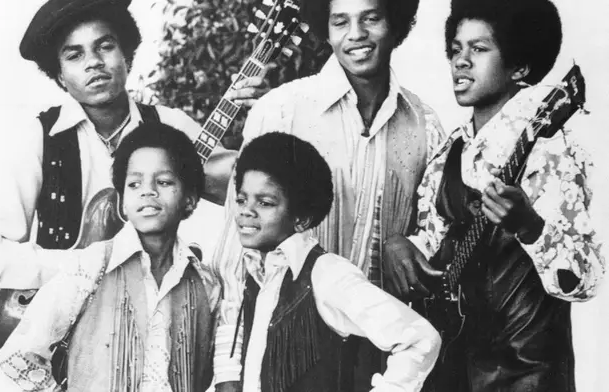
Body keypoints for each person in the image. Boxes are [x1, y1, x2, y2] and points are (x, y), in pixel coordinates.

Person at [210, 0, 446, 389]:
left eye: (371, 18)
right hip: (287, 355)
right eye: (341, 21)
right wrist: (227, 371)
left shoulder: (425, 124)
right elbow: (237, 257)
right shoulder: (281, 110)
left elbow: (432, 236)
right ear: (326, 27)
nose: (356, 34)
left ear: (396, 23)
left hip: (380, 358)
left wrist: (407, 241)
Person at [0, 0, 268, 289]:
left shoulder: (168, 125)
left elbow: (244, 187)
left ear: (126, 54)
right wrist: (79, 267)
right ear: (59, 74)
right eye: (74, 55)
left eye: (105, 46)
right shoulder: (41, 137)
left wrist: (263, 118)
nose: (94, 63)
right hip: (68, 318)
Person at [389, 0, 605, 391]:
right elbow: (435, 249)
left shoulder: (549, 148)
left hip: (527, 372)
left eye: (479, 49)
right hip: (452, 364)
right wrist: (400, 246)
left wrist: (530, 227)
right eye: (456, 49)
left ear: (520, 66)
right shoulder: (448, 153)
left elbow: (587, 278)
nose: (461, 61)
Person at [0, 123, 221, 392]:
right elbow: (18, 357)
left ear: (189, 200)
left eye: (163, 182)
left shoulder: (206, 283)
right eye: (134, 183)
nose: (147, 191)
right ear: (123, 204)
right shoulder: (90, 267)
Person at [230, 132, 440, 392]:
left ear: (302, 219)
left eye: (265, 202)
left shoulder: (327, 273)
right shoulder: (258, 272)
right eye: (241, 199)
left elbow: (421, 338)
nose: (246, 210)